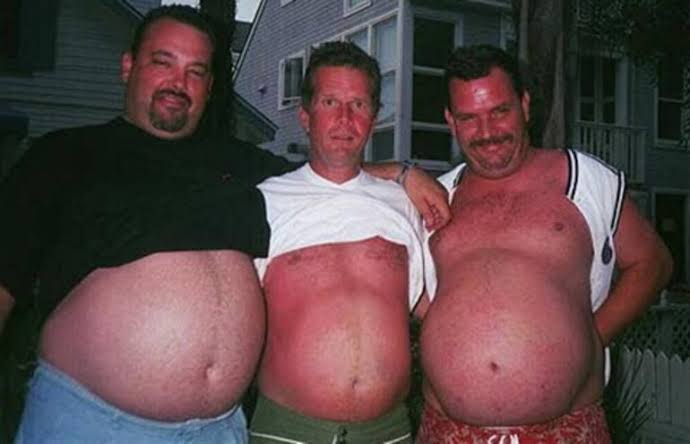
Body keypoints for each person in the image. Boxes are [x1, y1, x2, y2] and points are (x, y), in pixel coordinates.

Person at [0, 6, 448, 443]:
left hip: (219, 429)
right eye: (163, 62)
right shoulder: (64, 156)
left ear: (210, 86)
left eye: (196, 71)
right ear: (128, 66)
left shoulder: (243, 164)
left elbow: (330, 174)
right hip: (93, 423)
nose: (179, 82)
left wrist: (402, 173)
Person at [417, 44, 673, 443]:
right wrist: (399, 173)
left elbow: (653, 263)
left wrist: (593, 336)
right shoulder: (436, 198)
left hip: (565, 431)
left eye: (500, 111)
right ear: (451, 120)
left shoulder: (584, 179)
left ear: (524, 105)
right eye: (469, 118)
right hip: (447, 433)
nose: (487, 132)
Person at [248, 42, 431, 444]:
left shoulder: (404, 204)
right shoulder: (263, 203)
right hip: (288, 432)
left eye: (358, 104)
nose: (345, 118)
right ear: (305, 115)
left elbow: (428, 308)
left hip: (389, 432)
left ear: (374, 117)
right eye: (330, 102)